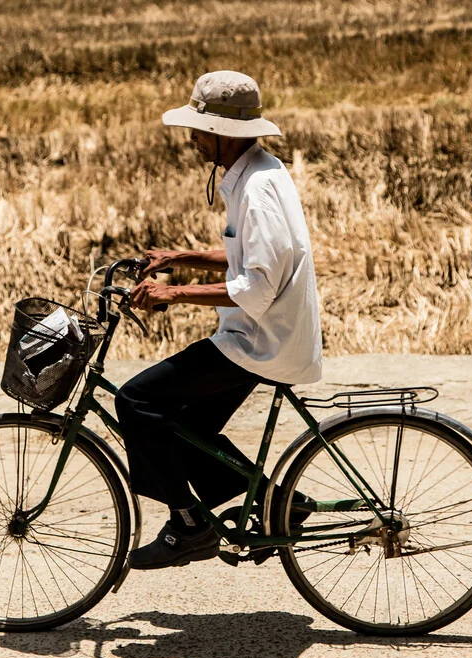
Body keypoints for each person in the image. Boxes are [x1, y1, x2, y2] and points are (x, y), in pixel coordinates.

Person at [115, 70, 324, 570]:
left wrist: (174, 292)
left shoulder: (257, 189)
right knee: (186, 427)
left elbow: (258, 284)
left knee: (137, 400)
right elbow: (250, 256)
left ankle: (188, 526)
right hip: (258, 335)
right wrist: (179, 255)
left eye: (197, 127)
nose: (191, 138)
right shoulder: (255, 172)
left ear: (220, 133)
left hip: (260, 340)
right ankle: (281, 504)